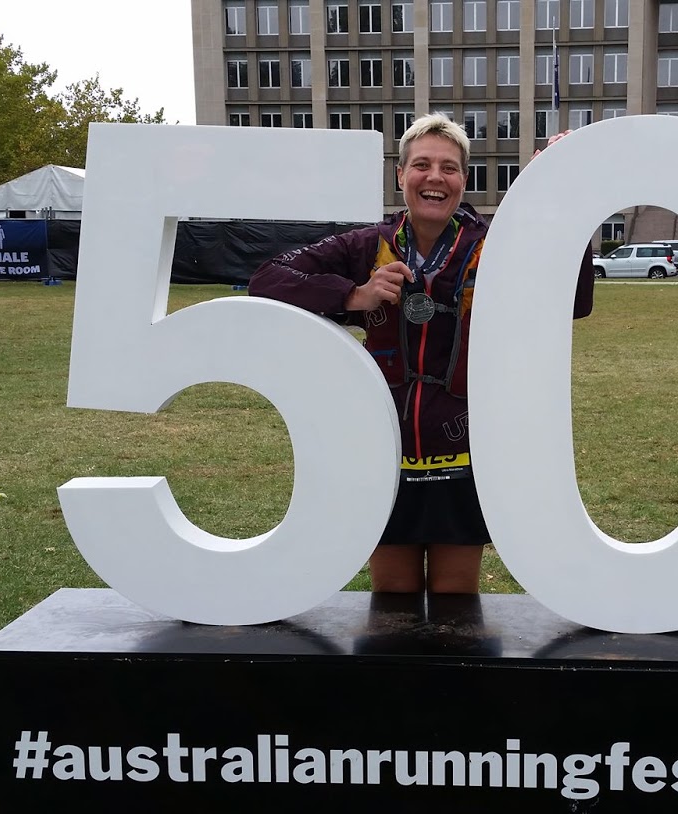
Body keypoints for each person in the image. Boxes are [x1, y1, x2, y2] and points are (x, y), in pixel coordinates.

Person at [250, 114, 595, 594]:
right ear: (400, 175)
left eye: (449, 168)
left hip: (463, 452)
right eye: (422, 165)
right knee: (393, 601)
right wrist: (353, 295)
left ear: (463, 180)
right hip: (382, 453)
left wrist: (564, 193)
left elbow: (574, 301)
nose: (435, 177)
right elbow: (266, 279)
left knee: (456, 603)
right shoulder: (366, 245)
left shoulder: (495, 244)